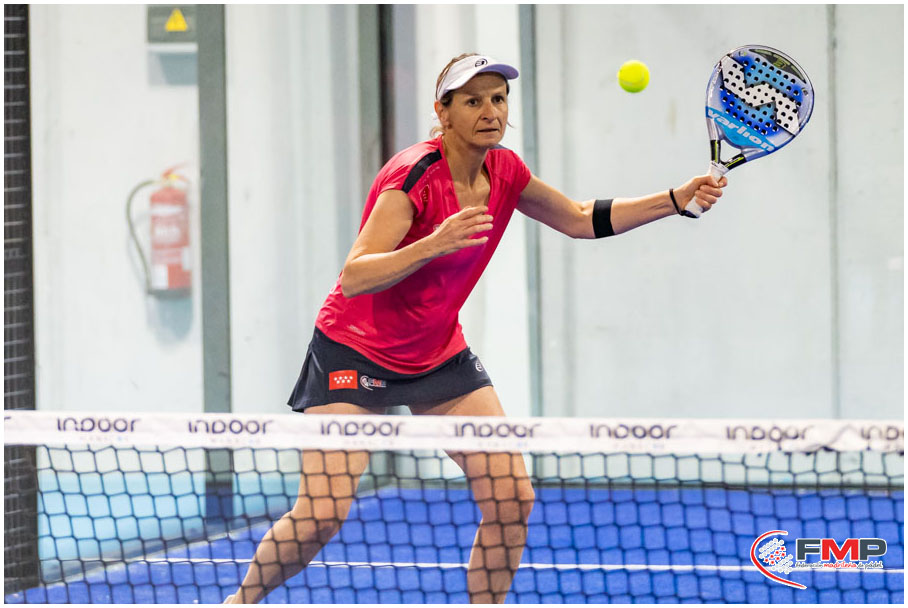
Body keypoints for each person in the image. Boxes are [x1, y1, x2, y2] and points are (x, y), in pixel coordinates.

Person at [225, 52, 727, 604]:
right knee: (322, 514)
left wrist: (674, 200)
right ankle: (239, 603)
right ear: (443, 112)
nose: (491, 111)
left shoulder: (506, 171)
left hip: (437, 352)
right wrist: (433, 243)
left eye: (498, 99)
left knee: (511, 497)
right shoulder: (413, 176)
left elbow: (580, 218)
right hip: (353, 351)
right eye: (472, 101)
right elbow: (355, 275)